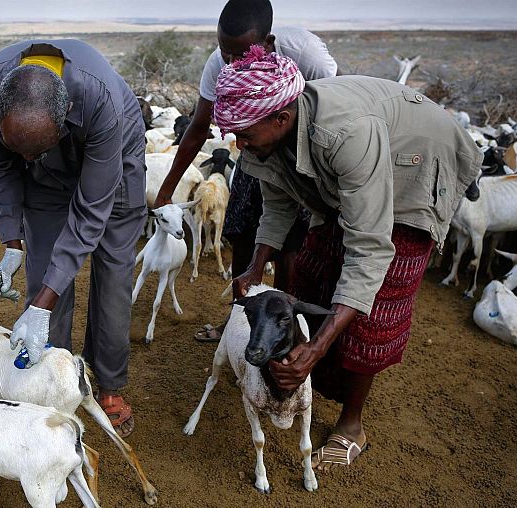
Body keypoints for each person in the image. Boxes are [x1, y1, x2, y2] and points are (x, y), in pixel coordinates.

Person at [214, 46, 480, 469]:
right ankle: (319, 377)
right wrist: (256, 262)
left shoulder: (344, 134)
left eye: (244, 134)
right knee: (317, 277)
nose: (237, 143)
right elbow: (279, 203)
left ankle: (351, 425)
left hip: (414, 167)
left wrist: (317, 347)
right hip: (361, 170)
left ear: (281, 119)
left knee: (374, 304)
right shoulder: (268, 136)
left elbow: (371, 247)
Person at [0, 39, 147, 438]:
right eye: (21, 151)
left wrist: (41, 304)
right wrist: (13, 240)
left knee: (113, 271)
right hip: (44, 175)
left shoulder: (100, 103)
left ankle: (109, 384)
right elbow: (1, 167)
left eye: (36, 149)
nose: (26, 159)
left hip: (113, 154)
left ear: (64, 116)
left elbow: (90, 213)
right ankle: (51, 375)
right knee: (43, 268)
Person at [152, 0, 338, 342]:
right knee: (240, 230)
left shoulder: (307, 54)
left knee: (291, 243)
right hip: (253, 149)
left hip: (300, 155)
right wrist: (167, 189)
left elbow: (330, 108)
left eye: (241, 54)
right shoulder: (217, 64)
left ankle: (285, 328)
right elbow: (197, 128)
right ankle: (237, 324)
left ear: (268, 42)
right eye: (226, 53)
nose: (233, 63)